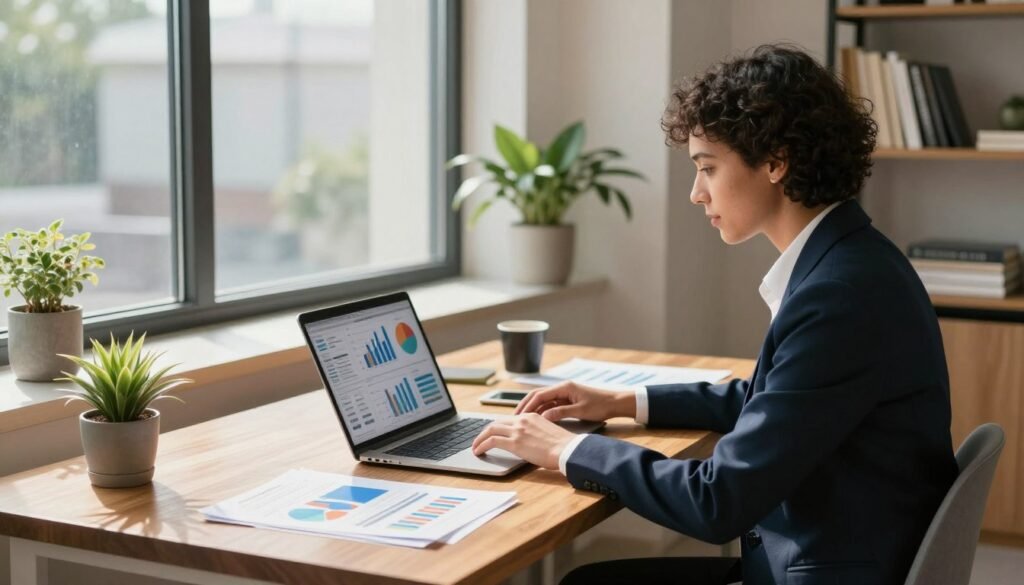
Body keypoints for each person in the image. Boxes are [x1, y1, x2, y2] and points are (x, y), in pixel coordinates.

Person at [471, 44, 958, 585]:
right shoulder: (854, 261)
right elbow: (774, 401)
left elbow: (716, 502)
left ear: (776, 161)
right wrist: (623, 400)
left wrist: (569, 448)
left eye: (707, 168)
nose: (695, 193)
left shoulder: (839, 296)